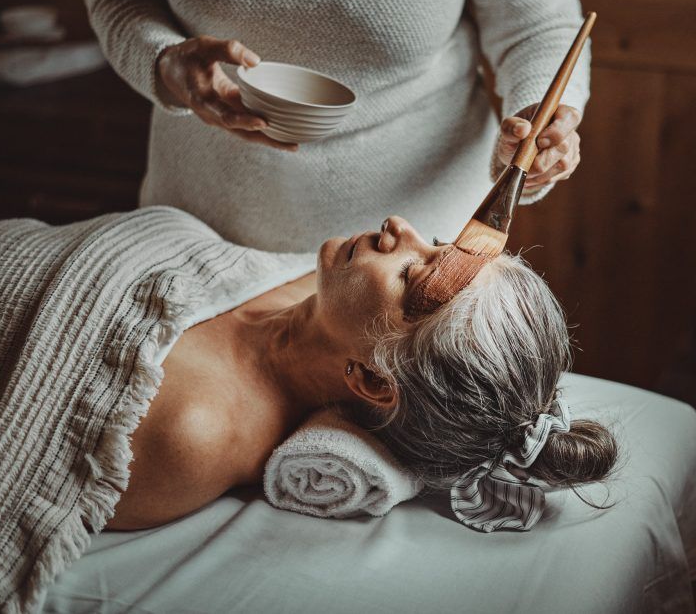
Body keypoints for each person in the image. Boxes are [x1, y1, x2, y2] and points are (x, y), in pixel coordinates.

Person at [83, 0, 590, 251]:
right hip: (196, 231)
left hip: (413, 247)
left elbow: (539, 27)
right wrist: (162, 60)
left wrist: (537, 126)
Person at [109, 215, 617, 530]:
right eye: (436, 242)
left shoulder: (190, 432)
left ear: (373, 381)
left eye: (407, 273)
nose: (398, 227)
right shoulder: (314, 282)